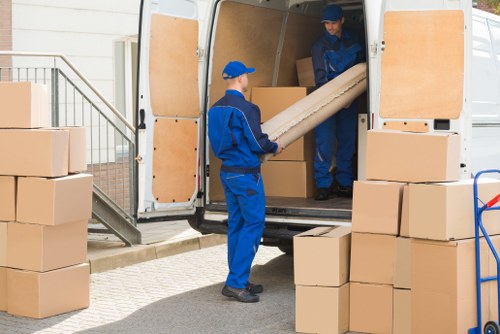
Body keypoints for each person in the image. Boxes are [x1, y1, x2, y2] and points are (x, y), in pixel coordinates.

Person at [207, 60, 283, 303]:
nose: (248, 79)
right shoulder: (246, 109)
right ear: (240, 78)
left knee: (237, 225)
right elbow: (257, 142)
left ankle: (238, 278)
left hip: (227, 172)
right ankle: (236, 283)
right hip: (246, 174)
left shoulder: (215, 109)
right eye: (247, 76)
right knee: (254, 224)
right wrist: (275, 146)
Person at [311, 4, 364, 200]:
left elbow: (363, 67)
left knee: (347, 141)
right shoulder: (319, 46)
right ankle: (323, 184)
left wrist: (351, 96)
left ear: (342, 20)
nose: (329, 27)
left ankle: (344, 183)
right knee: (324, 141)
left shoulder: (354, 38)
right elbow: (321, 80)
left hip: (350, 99)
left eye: (333, 22)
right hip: (328, 100)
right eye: (326, 23)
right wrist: (338, 100)